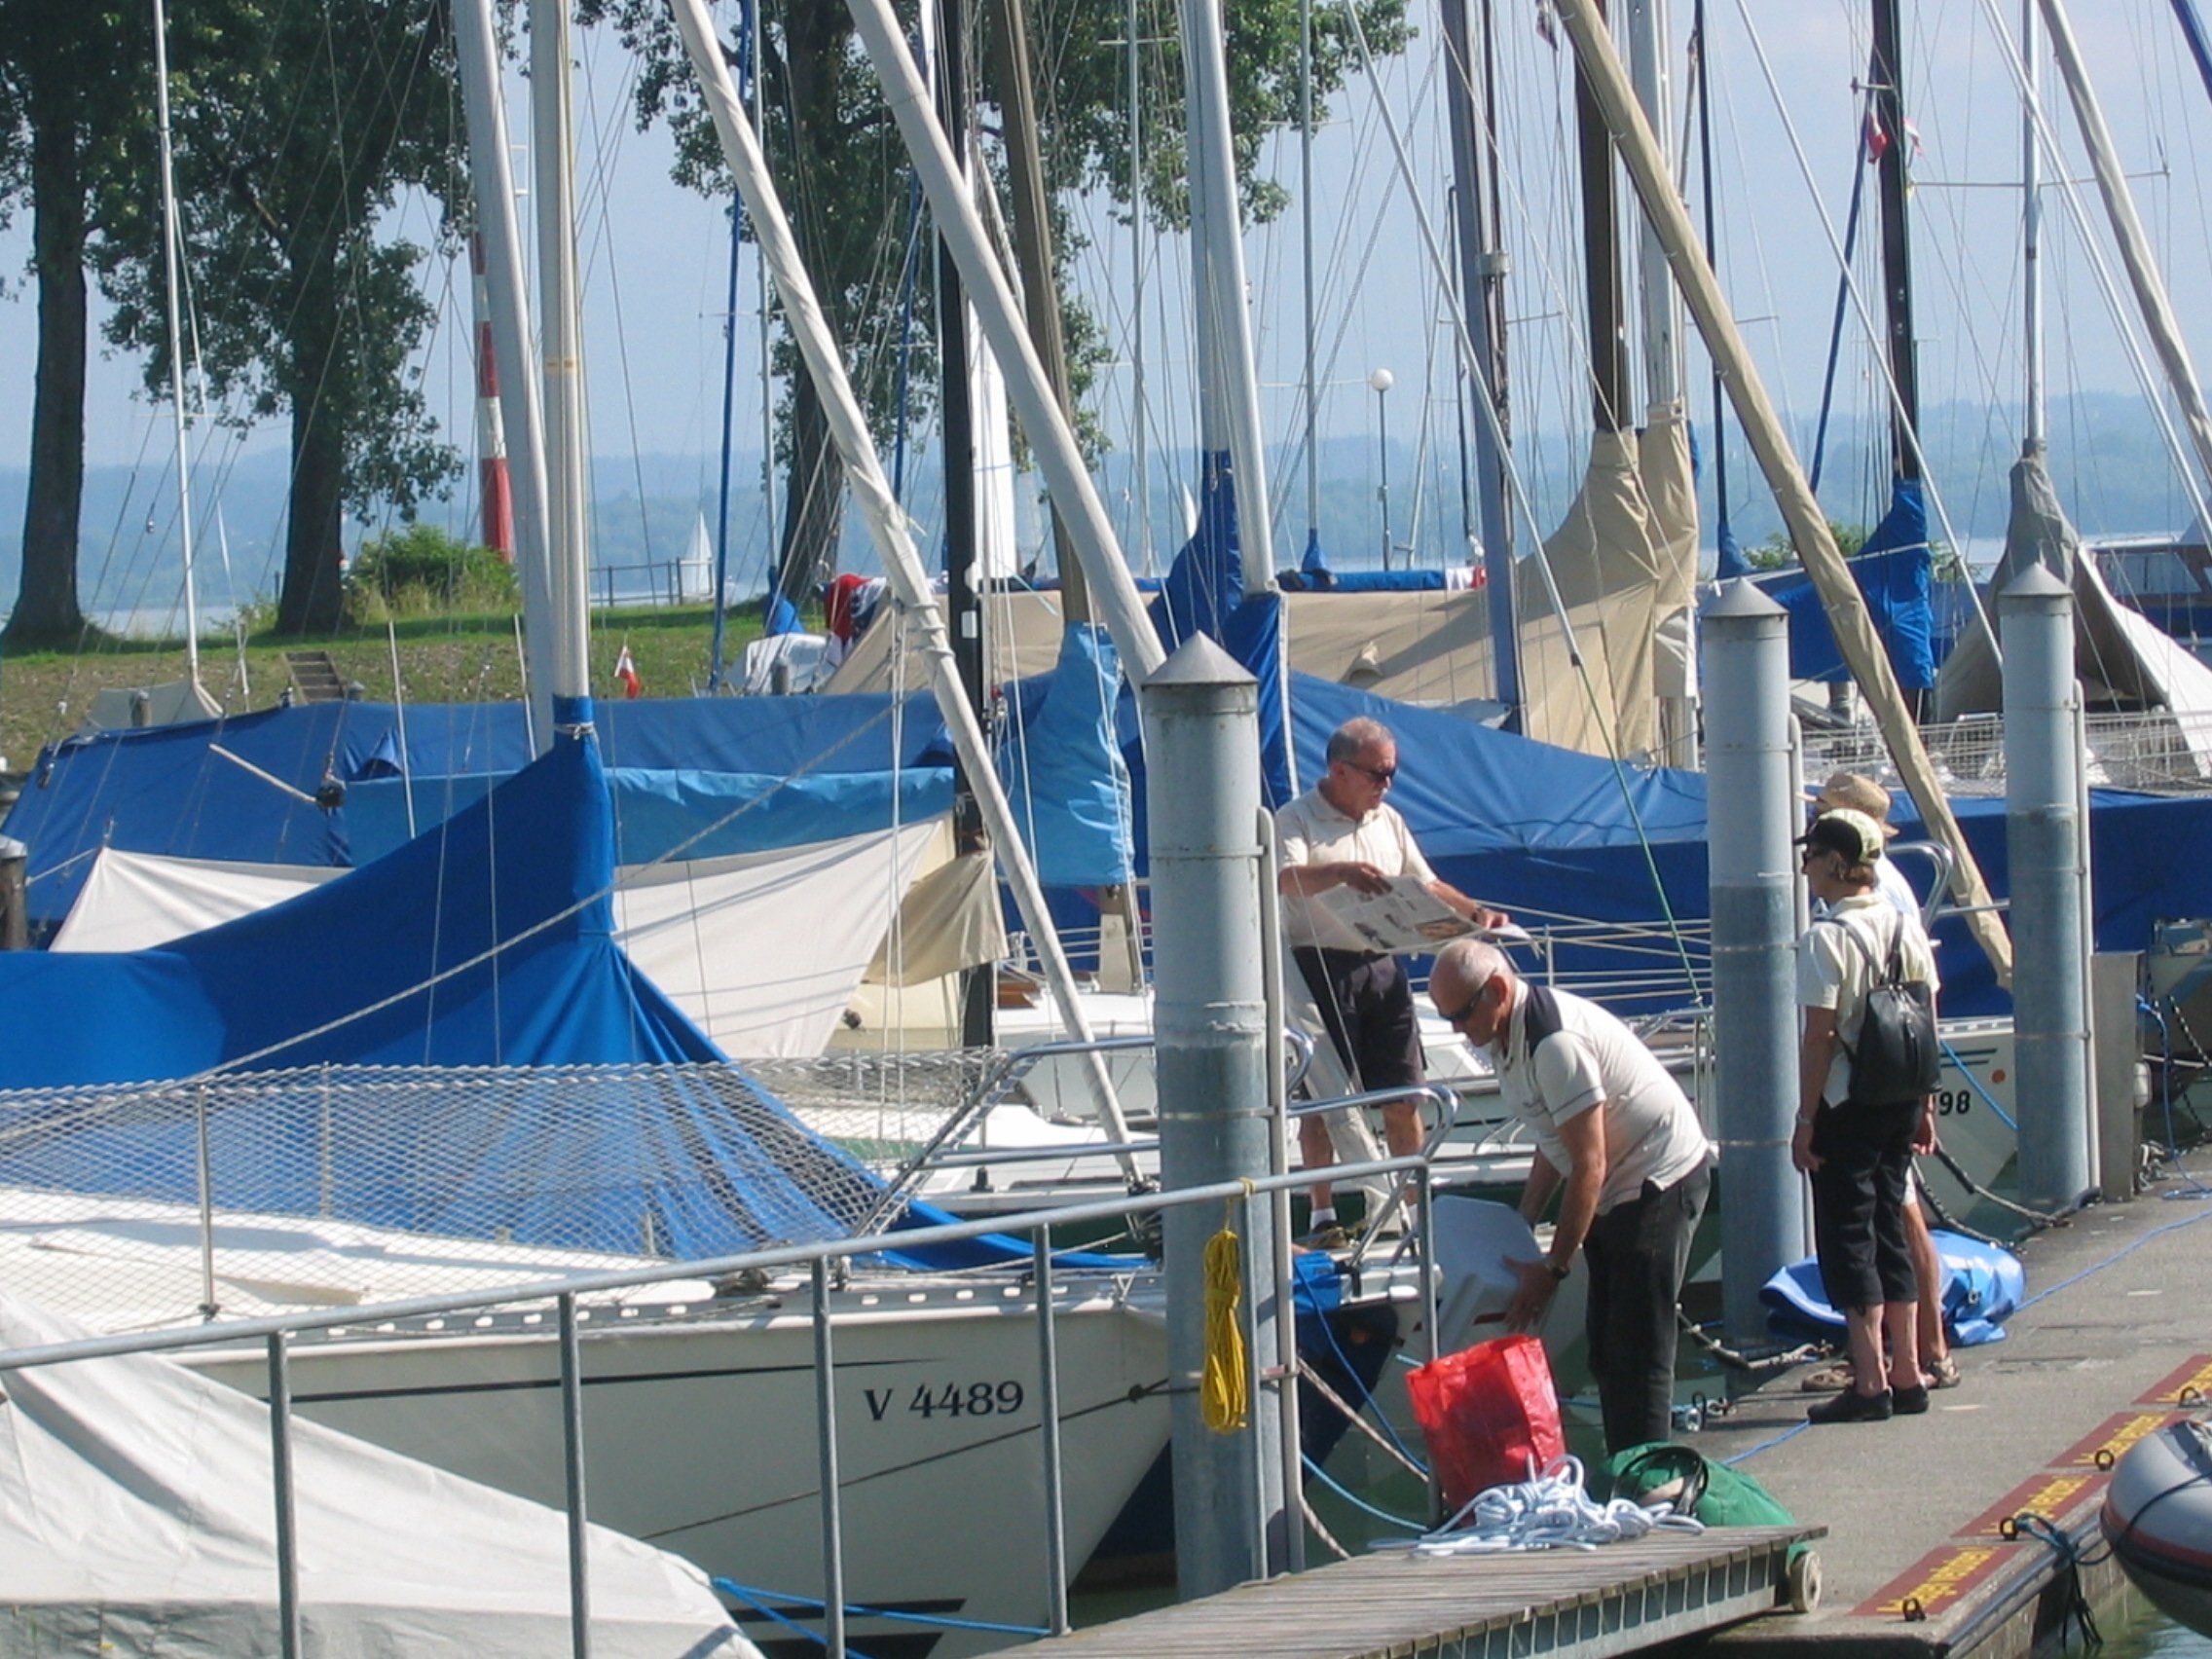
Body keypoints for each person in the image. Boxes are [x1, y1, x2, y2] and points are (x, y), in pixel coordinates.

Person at [1428, 938, 1715, 1455]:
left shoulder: (1554, 1044)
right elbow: (1552, 1136)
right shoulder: (1505, 1035)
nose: (1457, 1030)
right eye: (1447, 1018)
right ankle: (1626, 1460)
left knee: (1638, 1346)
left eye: (1462, 1014)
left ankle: (1649, 1474)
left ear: (1497, 991)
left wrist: (1554, 1269)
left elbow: (1589, 1163)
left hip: (1656, 1177)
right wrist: (1522, 1222)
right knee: (1604, 1346)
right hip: (1613, 1184)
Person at [1276, 718, 1504, 1244]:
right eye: (1378, 774)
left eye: (1392, 773)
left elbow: (1426, 882)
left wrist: (1476, 912)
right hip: (1319, 965)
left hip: (1381, 962)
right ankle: (1323, 1214)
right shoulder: (1296, 818)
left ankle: (1412, 1213)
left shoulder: (1389, 819)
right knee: (1325, 1097)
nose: (1387, 785)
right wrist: (1340, 872)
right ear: (1340, 770)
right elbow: (1284, 878)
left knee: (1406, 1094)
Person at [1805, 774, 1961, 1393]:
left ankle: (1870, 1377)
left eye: (1814, 852)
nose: (1806, 864)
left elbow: (1819, 1035)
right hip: (1898, 1094)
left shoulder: (1828, 935)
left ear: (1838, 863)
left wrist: (1804, 1119)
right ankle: (1912, 1367)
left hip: (1847, 1099)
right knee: (1892, 1227)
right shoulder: (1904, 923)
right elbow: (1926, 1015)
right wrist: (1926, 1100)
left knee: (1851, 1235)